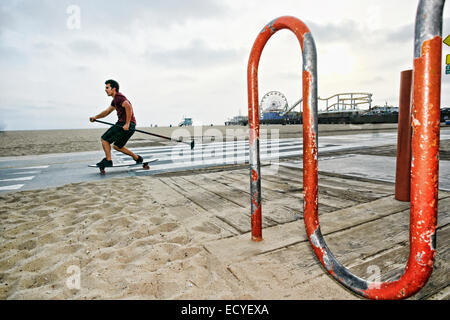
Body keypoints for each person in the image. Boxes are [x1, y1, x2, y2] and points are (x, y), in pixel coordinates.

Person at [89, 80, 143, 167]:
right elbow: (107, 111)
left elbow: (128, 106)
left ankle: (108, 160)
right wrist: (96, 117)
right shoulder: (115, 100)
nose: (105, 90)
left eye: (107, 88)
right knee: (117, 146)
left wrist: (127, 123)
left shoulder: (119, 97)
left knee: (104, 139)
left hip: (124, 124)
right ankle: (137, 158)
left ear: (113, 89)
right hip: (130, 125)